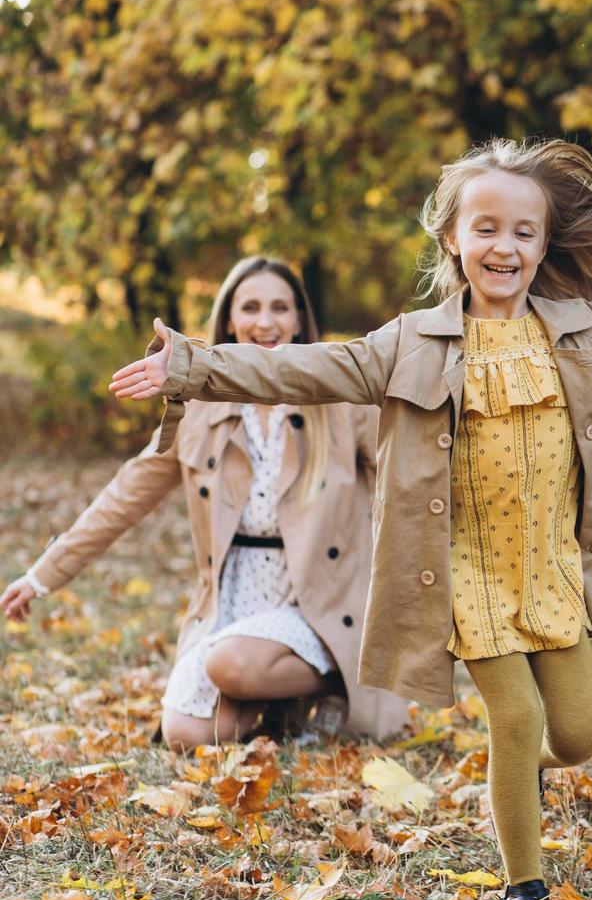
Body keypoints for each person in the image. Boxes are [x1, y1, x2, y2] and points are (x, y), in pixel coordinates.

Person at [109, 137, 592, 900]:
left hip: (553, 572)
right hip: (466, 576)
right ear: (453, 239)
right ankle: (523, 886)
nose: (503, 247)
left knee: (574, 738)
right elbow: (303, 367)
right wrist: (193, 367)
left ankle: (517, 783)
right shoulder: (410, 344)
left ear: (543, 245)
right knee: (517, 719)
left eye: (523, 232)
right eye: (486, 229)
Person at [3, 257, 408, 750]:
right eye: (251, 307)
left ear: (300, 320)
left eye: (280, 307)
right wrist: (42, 575)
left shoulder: (343, 404)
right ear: (230, 320)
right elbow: (126, 495)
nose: (266, 321)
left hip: (318, 597)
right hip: (235, 592)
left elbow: (404, 485)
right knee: (187, 735)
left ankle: (345, 677)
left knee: (230, 665)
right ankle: (281, 698)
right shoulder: (199, 412)